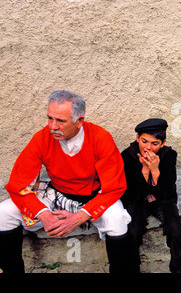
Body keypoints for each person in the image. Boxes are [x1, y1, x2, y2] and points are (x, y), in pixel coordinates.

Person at [0, 90, 138, 273]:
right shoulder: (42, 138)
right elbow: (18, 184)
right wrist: (44, 215)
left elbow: (114, 186)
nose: (53, 126)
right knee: (3, 213)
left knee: (116, 218)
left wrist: (78, 217)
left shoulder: (100, 137)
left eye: (61, 121)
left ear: (79, 121)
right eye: (50, 118)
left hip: (93, 197)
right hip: (56, 193)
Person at [121, 118, 181, 273]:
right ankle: (133, 268)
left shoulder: (169, 156)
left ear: (162, 143)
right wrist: (144, 169)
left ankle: (177, 269)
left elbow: (169, 192)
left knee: (175, 229)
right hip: (137, 200)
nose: (148, 147)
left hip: (162, 200)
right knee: (132, 230)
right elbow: (131, 195)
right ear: (137, 138)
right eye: (144, 141)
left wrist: (155, 170)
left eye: (154, 144)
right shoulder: (127, 156)